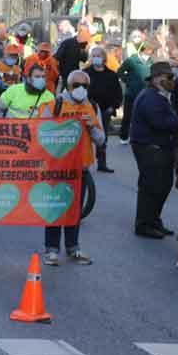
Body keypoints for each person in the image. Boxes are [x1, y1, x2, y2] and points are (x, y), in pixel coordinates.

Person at [40, 70, 104, 265]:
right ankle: (51, 250)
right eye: (76, 85)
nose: (81, 89)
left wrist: (91, 126)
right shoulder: (55, 104)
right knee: (55, 208)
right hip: (58, 167)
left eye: (84, 86)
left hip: (81, 168)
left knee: (74, 210)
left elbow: (101, 140)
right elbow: (41, 133)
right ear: (68, 86)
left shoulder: (92, 107)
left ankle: (73, 248)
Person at [130, 62, 178, 239]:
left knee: (163, 185)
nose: (172, 80)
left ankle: (153, 220)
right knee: (151, 186)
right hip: (150, 147)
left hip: (161, 147)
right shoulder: (150, 97)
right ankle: (144, 224)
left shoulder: (161, 95)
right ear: (157, 78)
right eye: (169, 77)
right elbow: (160, 123)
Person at [85, 45, 122, 173]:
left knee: (102, 136)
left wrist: (113, 107)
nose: (96, 58)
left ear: (104, 58)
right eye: (93, 56)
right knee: (85, 136)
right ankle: (83, 162)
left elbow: (118, 93)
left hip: (105, 110)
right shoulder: (86, 73)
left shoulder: (111, 75)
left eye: (98, 56)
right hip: (88, 109)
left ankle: (102, 162)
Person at [117, 43, 151, 144]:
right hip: (131, 94)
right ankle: (123, 137)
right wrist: (129, 81)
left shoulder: (151, 61)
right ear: (143, 50)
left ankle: (141, 137)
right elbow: (120, 71)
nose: (150, 53)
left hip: (145, 94)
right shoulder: (131, 60)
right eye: (149, 51)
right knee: (127, 116)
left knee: (144, 117)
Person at [54, 20, 88, 91]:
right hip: (66, 74)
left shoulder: (82, 45)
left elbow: (84, 59)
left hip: (73, 74)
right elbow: (57, 57)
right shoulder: (67, 43)